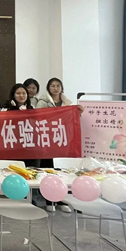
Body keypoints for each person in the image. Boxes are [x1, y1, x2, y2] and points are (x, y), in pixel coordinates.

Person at [35, 77, 80, 213]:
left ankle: (60, 199)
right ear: (48, 88)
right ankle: (49, 200)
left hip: (62, 141)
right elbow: (38, 118)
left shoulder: (67, 103)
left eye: (58, 86)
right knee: (48, 170)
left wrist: (78, 113)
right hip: (47, 141)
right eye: (53, 86)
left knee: (61, 172)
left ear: (61, 88)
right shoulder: (42, 102)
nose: (55, 88)